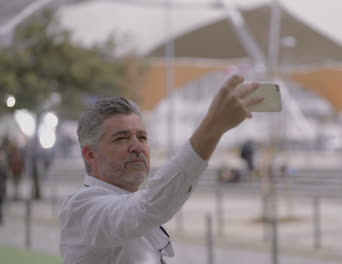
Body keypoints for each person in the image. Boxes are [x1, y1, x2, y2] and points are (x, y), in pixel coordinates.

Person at [59, 75, 262, 264]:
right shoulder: (82, 207)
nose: (137, 147)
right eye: (121, 138)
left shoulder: (128, 203)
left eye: (142, 137)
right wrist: (213, 127)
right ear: (90, 155)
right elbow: (150, 206)